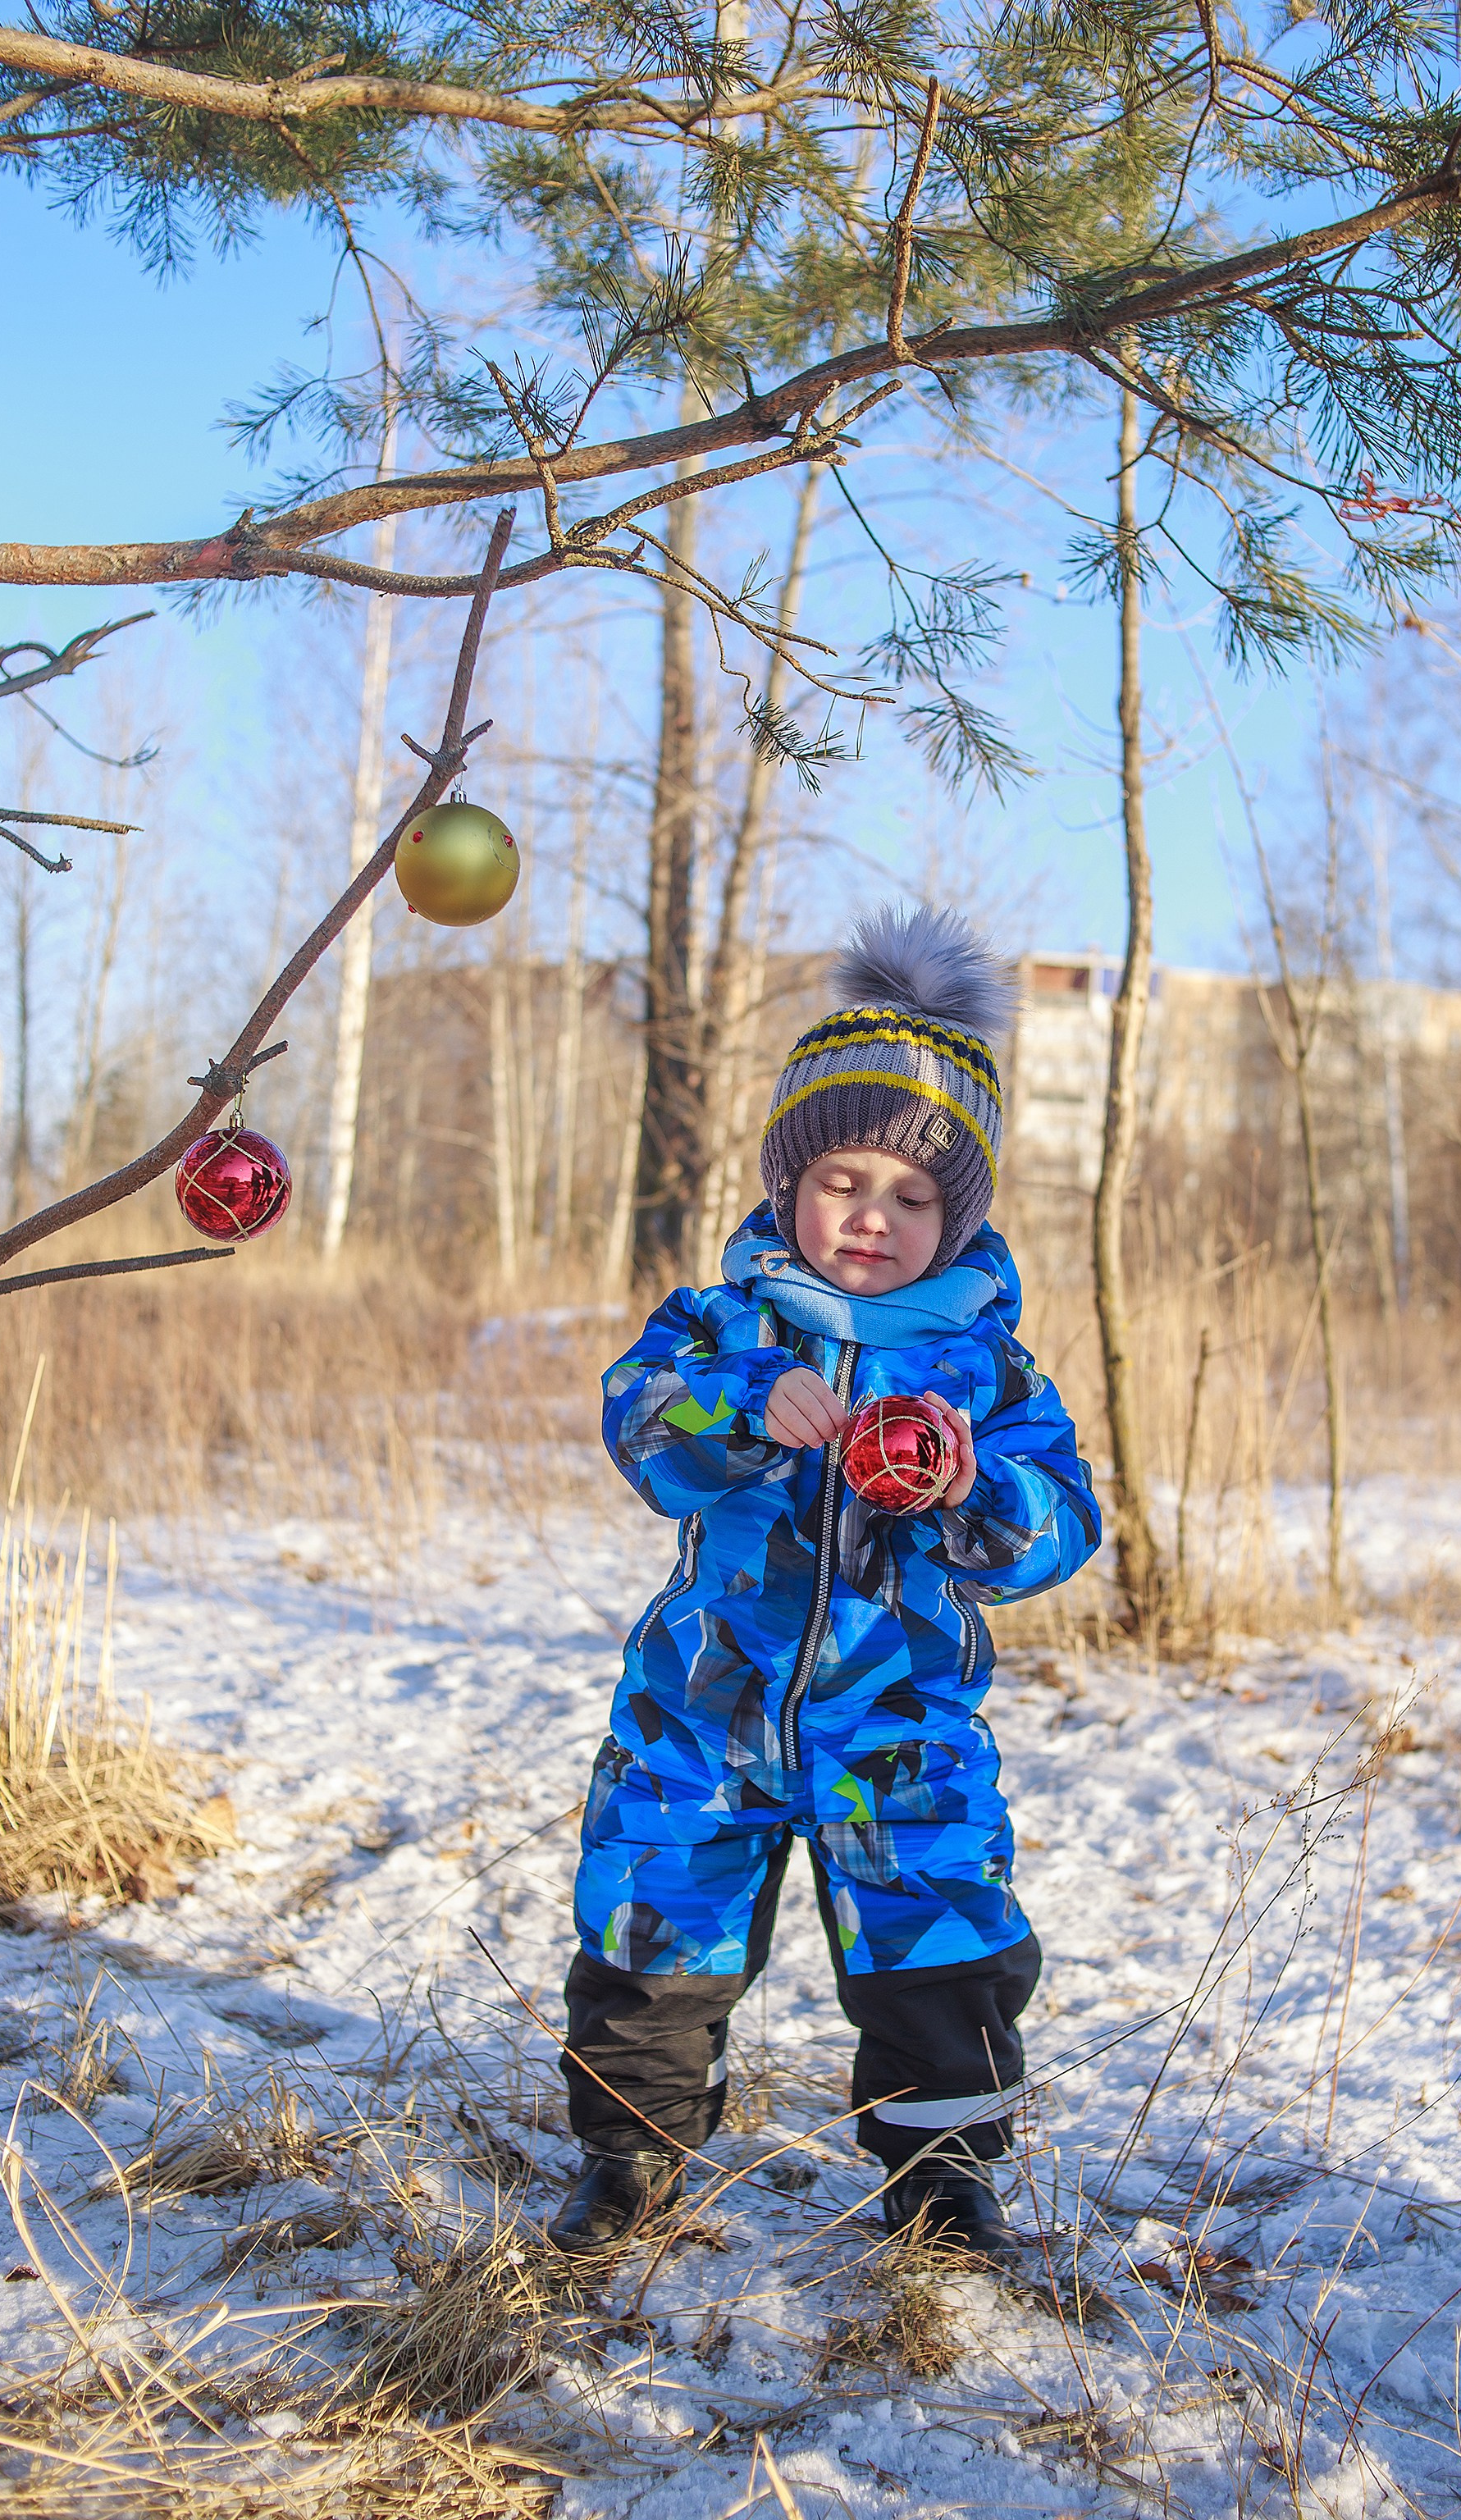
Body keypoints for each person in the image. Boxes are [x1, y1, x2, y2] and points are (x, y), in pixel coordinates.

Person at [548, 902, 1103, 2267]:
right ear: (791, 1182)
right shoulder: (721, 1321)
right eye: (846, 1182)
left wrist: (974, 1488)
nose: (875, 1219)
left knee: (941, 1948)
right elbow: (642, 1423)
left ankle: (941, 2179)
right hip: (705, 1705)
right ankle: (631, 2159)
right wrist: (743, 1403)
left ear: (957, 1216)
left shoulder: (985, 1369)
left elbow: (1062, 1529)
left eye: (917, 1199)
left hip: (898, 1727)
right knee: (654, 1934)